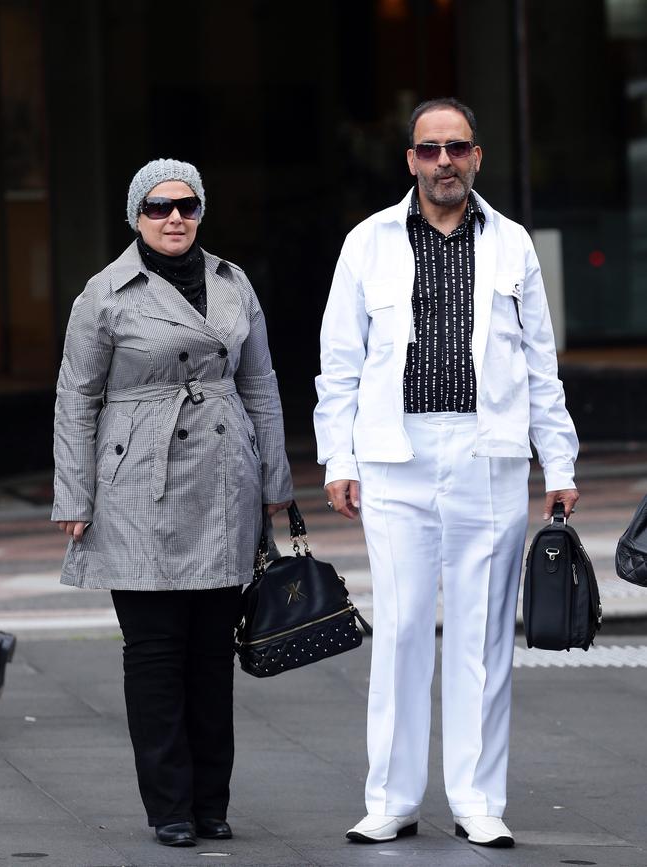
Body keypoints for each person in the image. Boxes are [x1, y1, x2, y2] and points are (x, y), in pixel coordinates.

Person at [314, 98, 578, 848]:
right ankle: (391, 799)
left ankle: (477, 798)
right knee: (399, 628)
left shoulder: (512, 243)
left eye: (456, 148)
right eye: (429, 150)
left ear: (477, 157)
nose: (443, 162)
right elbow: (339, 363)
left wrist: (557, 461)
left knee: (483, 636)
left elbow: (540, 363)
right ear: (410, 161)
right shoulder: (367, 242)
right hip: (395, 456)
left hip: (489, 455)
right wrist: (340, 455)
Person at [52, 158, 292, 848]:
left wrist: (274, 480)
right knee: (155, 653)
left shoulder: (233, 282)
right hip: (137, 485)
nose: (174, 217)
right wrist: (75, 491)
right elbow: (77, 398)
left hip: (224, 480)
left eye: (186, 205)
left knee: (214, 654)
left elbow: (262, 383)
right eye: (158, 207)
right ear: (136, 217)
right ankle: (170, 806)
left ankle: (212, 801)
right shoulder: (104, 293)